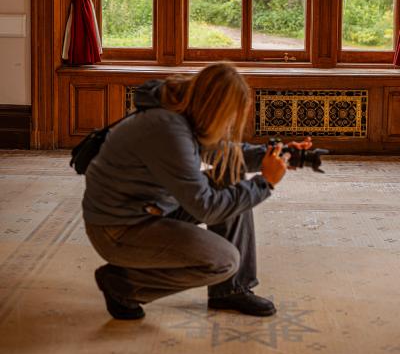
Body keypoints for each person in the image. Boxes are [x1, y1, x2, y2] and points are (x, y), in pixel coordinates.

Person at [83, 62, 288, 320]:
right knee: (224, 261)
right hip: (118, 230)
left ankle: (230, 291)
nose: (229, 124)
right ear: (214, 109)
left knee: (230, 173)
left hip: (149, 208)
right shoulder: (168, 130)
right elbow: (207, 208)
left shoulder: (181, 112)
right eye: (229, 117)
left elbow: (225, 153)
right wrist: (265, 183)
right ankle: (124, 285)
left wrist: (284, 154)